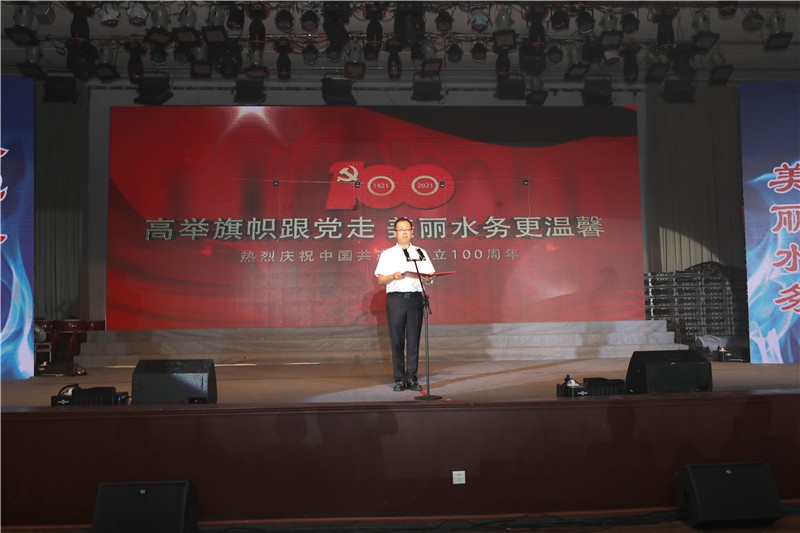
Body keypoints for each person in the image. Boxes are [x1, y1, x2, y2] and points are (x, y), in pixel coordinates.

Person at [374, 217, 435, 391]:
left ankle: (412, 378)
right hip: (396, 300)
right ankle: (400, 379)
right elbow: (380, 280)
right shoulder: (388, 254)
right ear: (395, 233)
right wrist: (393, 276)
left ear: (412, 232)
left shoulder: (420, 252)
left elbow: (430, 276)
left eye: (407, 229)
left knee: (414, 340)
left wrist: (427, 279)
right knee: (397, 340)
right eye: (401, 229)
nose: (404, 232)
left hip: (415, 299)